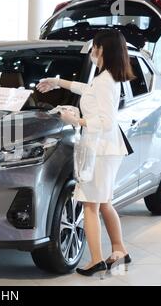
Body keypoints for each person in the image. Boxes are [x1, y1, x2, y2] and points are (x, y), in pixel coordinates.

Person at [37, 29, 134, 277]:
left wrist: (74, 120)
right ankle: (119, 250)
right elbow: (86, 90)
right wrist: (58, 82)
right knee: (104, 203)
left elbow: (107, 122)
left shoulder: (105, 81)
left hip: (100, 150)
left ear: (103, 49)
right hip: (107, 150)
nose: (93, 50)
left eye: (96, 46)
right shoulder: (106, 78)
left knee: (90, 206)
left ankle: (96, 260)